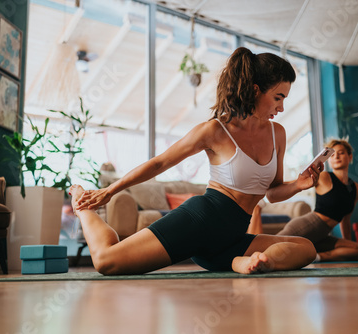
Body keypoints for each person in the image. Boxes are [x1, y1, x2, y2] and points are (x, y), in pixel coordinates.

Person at [69, 46, 322, 276]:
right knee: (106, 260)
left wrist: (299, 184)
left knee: (306, 248)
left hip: (233, 237)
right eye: (278, 97)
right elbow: (159, 163)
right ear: (256, 90)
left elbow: (273, 193)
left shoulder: (277, 134)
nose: (281, 108)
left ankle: (253, 262)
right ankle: (83, 208)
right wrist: (110, 191)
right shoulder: (215, 130)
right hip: (200, 221)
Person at [247, 138, 358, 262]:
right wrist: (265, 186)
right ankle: (246, 246)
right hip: (308, 226)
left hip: (322, 235)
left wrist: (347, 247)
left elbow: (346, 221)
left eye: (341, 153)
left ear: (350, 156)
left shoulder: (356, 189)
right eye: (333, 154)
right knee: (266, 250)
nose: (336, 156)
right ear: (329, 159)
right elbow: (296, 182)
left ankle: (315, 257)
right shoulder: (324, 176)